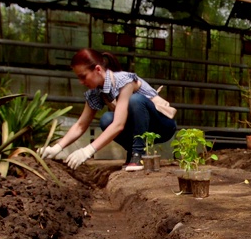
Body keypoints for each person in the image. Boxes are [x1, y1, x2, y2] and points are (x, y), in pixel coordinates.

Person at [37, 48, 177, 171]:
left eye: (83, 76)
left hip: (162, 126)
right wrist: (56, 148)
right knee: (106, 119)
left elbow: (119, 125)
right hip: (140, 129)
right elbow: (80, 125)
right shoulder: (96, 92)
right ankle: (133, 151)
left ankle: (138, 153)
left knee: (135, 100)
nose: (81, 82)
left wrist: (88, 151)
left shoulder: (124, 81)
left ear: (98, 69)